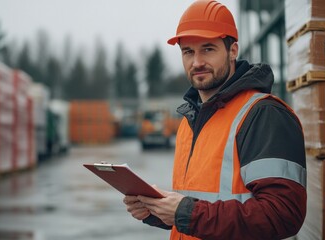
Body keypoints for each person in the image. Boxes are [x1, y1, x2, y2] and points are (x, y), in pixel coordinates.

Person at [123, 0, 307, 239]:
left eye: (208, 49)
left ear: (232, 51)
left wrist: (186, 212)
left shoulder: (263, 115)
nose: (197, 62)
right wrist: (157, 211)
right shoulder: (189, 122)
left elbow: (282, 215)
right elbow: (199, 205)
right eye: (188, 52)